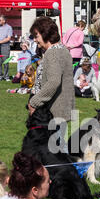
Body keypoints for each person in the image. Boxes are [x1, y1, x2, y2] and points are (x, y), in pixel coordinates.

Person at [27, 17, 74, 151]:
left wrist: (34, 102)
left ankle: (69, 171)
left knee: (56, 150)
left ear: (45, 33)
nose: (35, 40)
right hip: (59, 108)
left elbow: (54, 81)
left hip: (54, 111)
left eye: (36, 36)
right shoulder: (62, 50)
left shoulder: (53, 53)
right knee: (57, 146)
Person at [0, 15, 13, 81]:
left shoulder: (9, 27)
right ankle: (0, 75)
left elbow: (8, 38)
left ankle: (6, 76)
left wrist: (0, 42)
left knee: (5, 62)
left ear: (4, 21)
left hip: (5, 46)